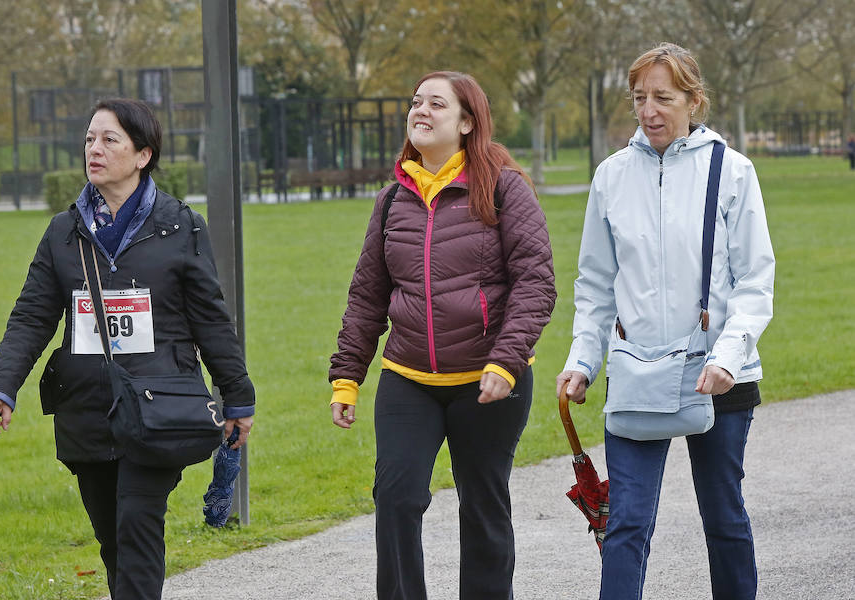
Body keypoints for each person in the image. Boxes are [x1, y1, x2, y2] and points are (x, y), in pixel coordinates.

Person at [0, 98, 255, 599]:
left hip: (158, 407)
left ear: (143, 154)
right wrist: (1, 387)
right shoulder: (64, 233)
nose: (95, 149)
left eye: (110, 140)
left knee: (137, 526)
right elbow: (32, 316)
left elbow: (210, 317)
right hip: (86, 409)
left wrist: (237, 395)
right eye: (89, 139)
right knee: (112, 538)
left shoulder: (180, 226)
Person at [557, 43, 775, 600]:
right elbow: (596, 283)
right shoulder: (610, 176)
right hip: (637, 372)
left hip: (719, 374)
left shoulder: (733, 172)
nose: (649, 110)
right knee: (626, 521)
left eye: (663, 97)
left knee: (723, 516)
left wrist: (728, 358)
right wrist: (583, 360)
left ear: (693, 101)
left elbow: (755, 281)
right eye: (639, 98)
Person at [329, 71, 557, 599]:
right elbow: (367, 297)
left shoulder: (503, 187)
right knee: (397, 496)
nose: (421, 111)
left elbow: (535, 282)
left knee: (483, 504)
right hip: (409, 378)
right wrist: (347, 378)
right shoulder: (392, 201)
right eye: (416, 102)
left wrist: (505, 361)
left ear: (467, 121)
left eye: (436, 103)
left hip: (489, 380)